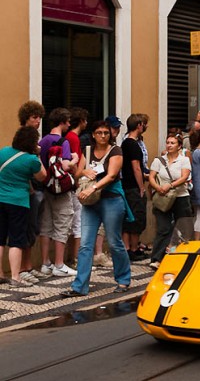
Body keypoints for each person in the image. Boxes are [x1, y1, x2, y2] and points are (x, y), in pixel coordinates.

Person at [61, 120, 132, 297]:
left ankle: (123, 279)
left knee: (114, 242)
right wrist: (84, 172)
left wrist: (93, 187)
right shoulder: (87, 151)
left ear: (110, 135)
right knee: (85, 244)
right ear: (93, 134)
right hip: (90, 202)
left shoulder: (116, 151)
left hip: (111, 200)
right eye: (99, 132)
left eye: (105, 133)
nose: (102, 136)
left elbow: (112, 175)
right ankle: (80, 286)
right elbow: (77, 173)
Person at [0, 127, 47, 287]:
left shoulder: (3, 151)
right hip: (18, 202)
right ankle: (15, 277)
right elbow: (42, 176)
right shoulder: (31, 159)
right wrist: (38, 154)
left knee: (0, 239)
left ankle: (0, 274)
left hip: (0, 199)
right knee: (16, 240)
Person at [38, 107, 77, 278]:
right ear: (62, 122)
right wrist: (75, 158)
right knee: (62, 224)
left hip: (46, 187)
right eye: (68, 121)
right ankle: (59, 264)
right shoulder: (63, 142)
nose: (69, 124)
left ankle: (45, 263)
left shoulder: (42, 141)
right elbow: (66, 165)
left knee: (46, 225)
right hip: (61, 189)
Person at [148, 133, 192, 270]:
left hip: (181, 196)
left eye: (172, 143)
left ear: (179, 146)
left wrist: (170, 185)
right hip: (163, 197)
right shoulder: (159, 160)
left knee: (184, 227)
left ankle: (184, 255)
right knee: (163, 228)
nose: (169, 145)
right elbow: (151, 177)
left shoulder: (184, 160)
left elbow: (184, 177)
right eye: (168, 142)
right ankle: (157, 258)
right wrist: (158, 188)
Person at [16, 101, 47, 283]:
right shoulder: (22, 139)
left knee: (33, 228)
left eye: (39, 118)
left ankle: (28, 265)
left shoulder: (34, 138)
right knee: (25, 228)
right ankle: (22, 268)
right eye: (35, 117)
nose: (38, 121)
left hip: (35, 189)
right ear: (26, 118)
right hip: (26, 190)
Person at [121, 114, 148, 261]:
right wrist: (141, 186)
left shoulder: (125, 143)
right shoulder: (133, 144)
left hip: (126, 185)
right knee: (136, 217)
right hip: (132, 187)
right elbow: (136, 167)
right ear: (139, 126)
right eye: (143, 124)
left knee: (127, 218)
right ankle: (133, 248)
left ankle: (128, 248)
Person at [65, 108, 87, 265]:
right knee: (77, 222)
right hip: (74, 183)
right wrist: (78, 177)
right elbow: (75, 162)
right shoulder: (73, 138)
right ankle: (76, 258)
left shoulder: (71, 137)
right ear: (81, 121)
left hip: (73, 182)